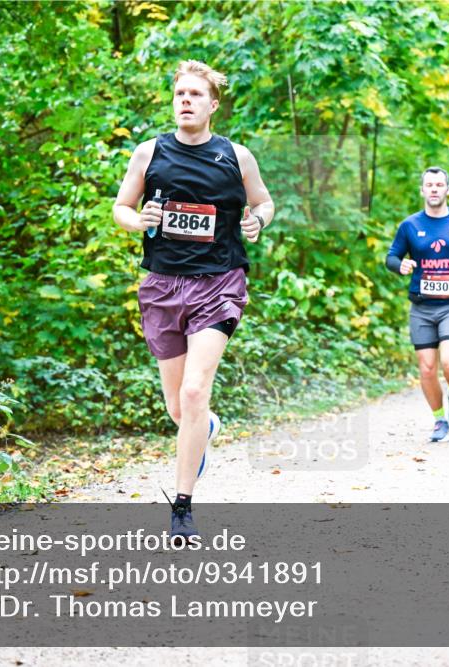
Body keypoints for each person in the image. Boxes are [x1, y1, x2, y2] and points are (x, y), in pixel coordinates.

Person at [113, 60, 275, 541]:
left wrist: (258, 220)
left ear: (213, 104)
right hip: (163, 286)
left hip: (218, 283)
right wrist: (137, 221)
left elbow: (264, 201)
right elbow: (121, 207)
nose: (185, 100)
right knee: (178, 408)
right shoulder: (149, 152)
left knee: (193, 392)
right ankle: (204, 428)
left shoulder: (236, 157)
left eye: (195, 94)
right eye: (180, 93)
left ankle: (182, 507)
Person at [385, 167, 449, 442]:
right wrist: (400, 265)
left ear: (447, 189)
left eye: (439, 184)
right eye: (429, 184)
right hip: (421, 307)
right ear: (422, 190)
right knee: (427, 369)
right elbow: (391, 257)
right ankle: (440, 420)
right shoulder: (410, 225)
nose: (434, 189)